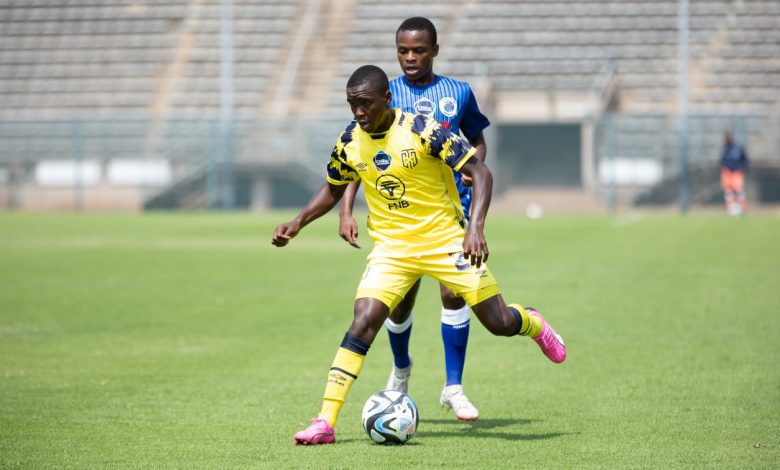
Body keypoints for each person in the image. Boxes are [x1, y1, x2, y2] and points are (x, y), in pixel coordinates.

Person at [272, 65, 566, 445]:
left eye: (365, 104)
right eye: (352, 105)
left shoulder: (424, 130)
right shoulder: (349, 140)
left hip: (445, 242)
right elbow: (333, 186)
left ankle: (533, 323)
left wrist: (474, 229)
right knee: (362, 322)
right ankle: (325, 421)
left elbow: (481, 172)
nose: (358, 112)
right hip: (393, 250)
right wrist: (298, 222)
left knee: (498, 322)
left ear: (387, 100)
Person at [338, 17, 489, 421]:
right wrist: (346, 208)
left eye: (418, 50)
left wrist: (470, 174)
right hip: (397, 217)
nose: (410, 57)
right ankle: (401, 369)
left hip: (448, 210)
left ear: (434, 50)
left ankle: (453, 386)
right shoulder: (383, 94)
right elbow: (357, 152)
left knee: (453, 293)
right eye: (403, 51)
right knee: (399, 304)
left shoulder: (458, 92)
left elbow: (476, 140)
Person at [719, 132, 749, 217]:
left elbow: (745, 159)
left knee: (739, 191)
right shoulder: (725, 149)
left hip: (736, 172)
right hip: (727, 173)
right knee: (728, 192)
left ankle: (742, 209)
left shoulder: (738, 149)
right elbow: (722, 161)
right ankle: (731, 209)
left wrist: (741, 168)